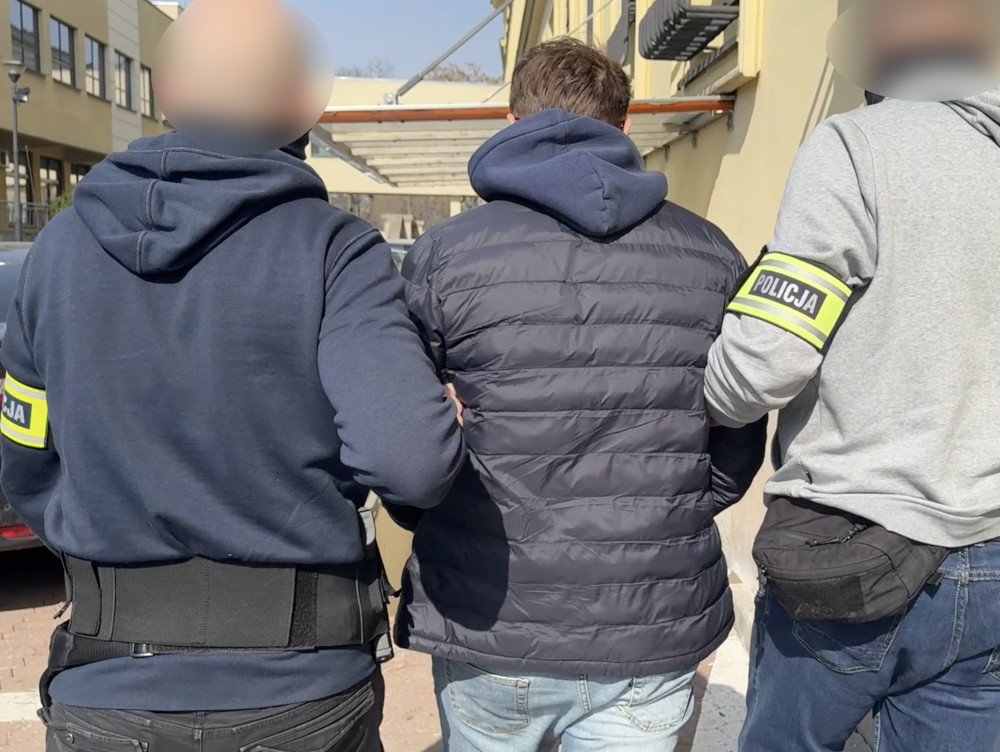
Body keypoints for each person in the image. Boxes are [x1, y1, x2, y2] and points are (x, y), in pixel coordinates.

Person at [0, 1, 464, 750]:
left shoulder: (54, 254)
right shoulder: (335, 251)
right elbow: (410, 460)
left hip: (107, 684)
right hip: (300, 693)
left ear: (168, 91)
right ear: (298, 102)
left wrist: (118, 531)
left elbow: (25, 458)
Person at [385, 37, 766, 752]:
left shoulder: (445, 256)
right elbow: (739, 431)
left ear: (512, 121)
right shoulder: (711, 254)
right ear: (623, 127)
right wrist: (671, 510)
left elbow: (404, 439)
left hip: (491, 616)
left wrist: (432, 518)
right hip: (650, 620)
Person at [705, 2, 1000, 749]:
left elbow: (761, 367)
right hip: (990, 550)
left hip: (850, 552)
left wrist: (710, 389)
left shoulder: (855, 148)